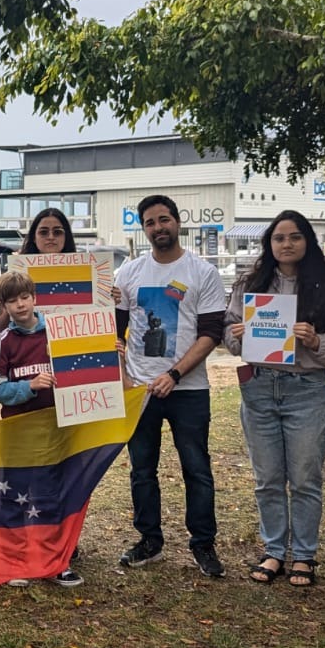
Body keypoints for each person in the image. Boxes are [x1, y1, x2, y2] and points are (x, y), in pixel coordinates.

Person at [224, 212, 325, 588]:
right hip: (259, 388)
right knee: (267, 478)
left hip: (307, 389)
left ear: (308, 242)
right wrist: (237, 335)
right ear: (269, 244)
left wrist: (319, 342)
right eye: (278, 238)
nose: (286, 244)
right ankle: (273, 552)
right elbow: (229, 334)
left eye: (295, 237)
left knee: (304, 478)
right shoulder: (249, 286)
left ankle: (304, 555)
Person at [112, 195, 228, 579]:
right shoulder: (128, 274)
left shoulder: (202, 272)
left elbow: (212, 333)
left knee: (197, 469)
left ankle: (203, 545)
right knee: (142, 470)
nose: (158, 227)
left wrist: (174, 375)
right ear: (143, 229)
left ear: (177, 223)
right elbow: (113, 332)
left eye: (164, 220)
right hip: (139, 390)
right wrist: (126, 378)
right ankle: (149, 540)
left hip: (188, 390)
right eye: (150, 222)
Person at [0, 270, 83, 588]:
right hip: (16, 431)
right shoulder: (3, 343)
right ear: (3, 306)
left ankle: (55, 562)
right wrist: (28, 386)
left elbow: (84, 365)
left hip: (55, 429)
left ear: (34, 298)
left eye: (24, 297)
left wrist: (108, 352)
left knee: (51, 495)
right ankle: (13, 561)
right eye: (12, 301)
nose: (20, 305)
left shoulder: (59, 333)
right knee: (13, 496)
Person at [0, 208, 79, 331]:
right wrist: (7, 307)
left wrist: (107, 297)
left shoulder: (83, 270)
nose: (51, 237)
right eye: (43, 232)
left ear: (66, 237)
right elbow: (2, 326)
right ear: (34, 237)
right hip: (28, 346)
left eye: (57, 232)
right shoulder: (17, 273)